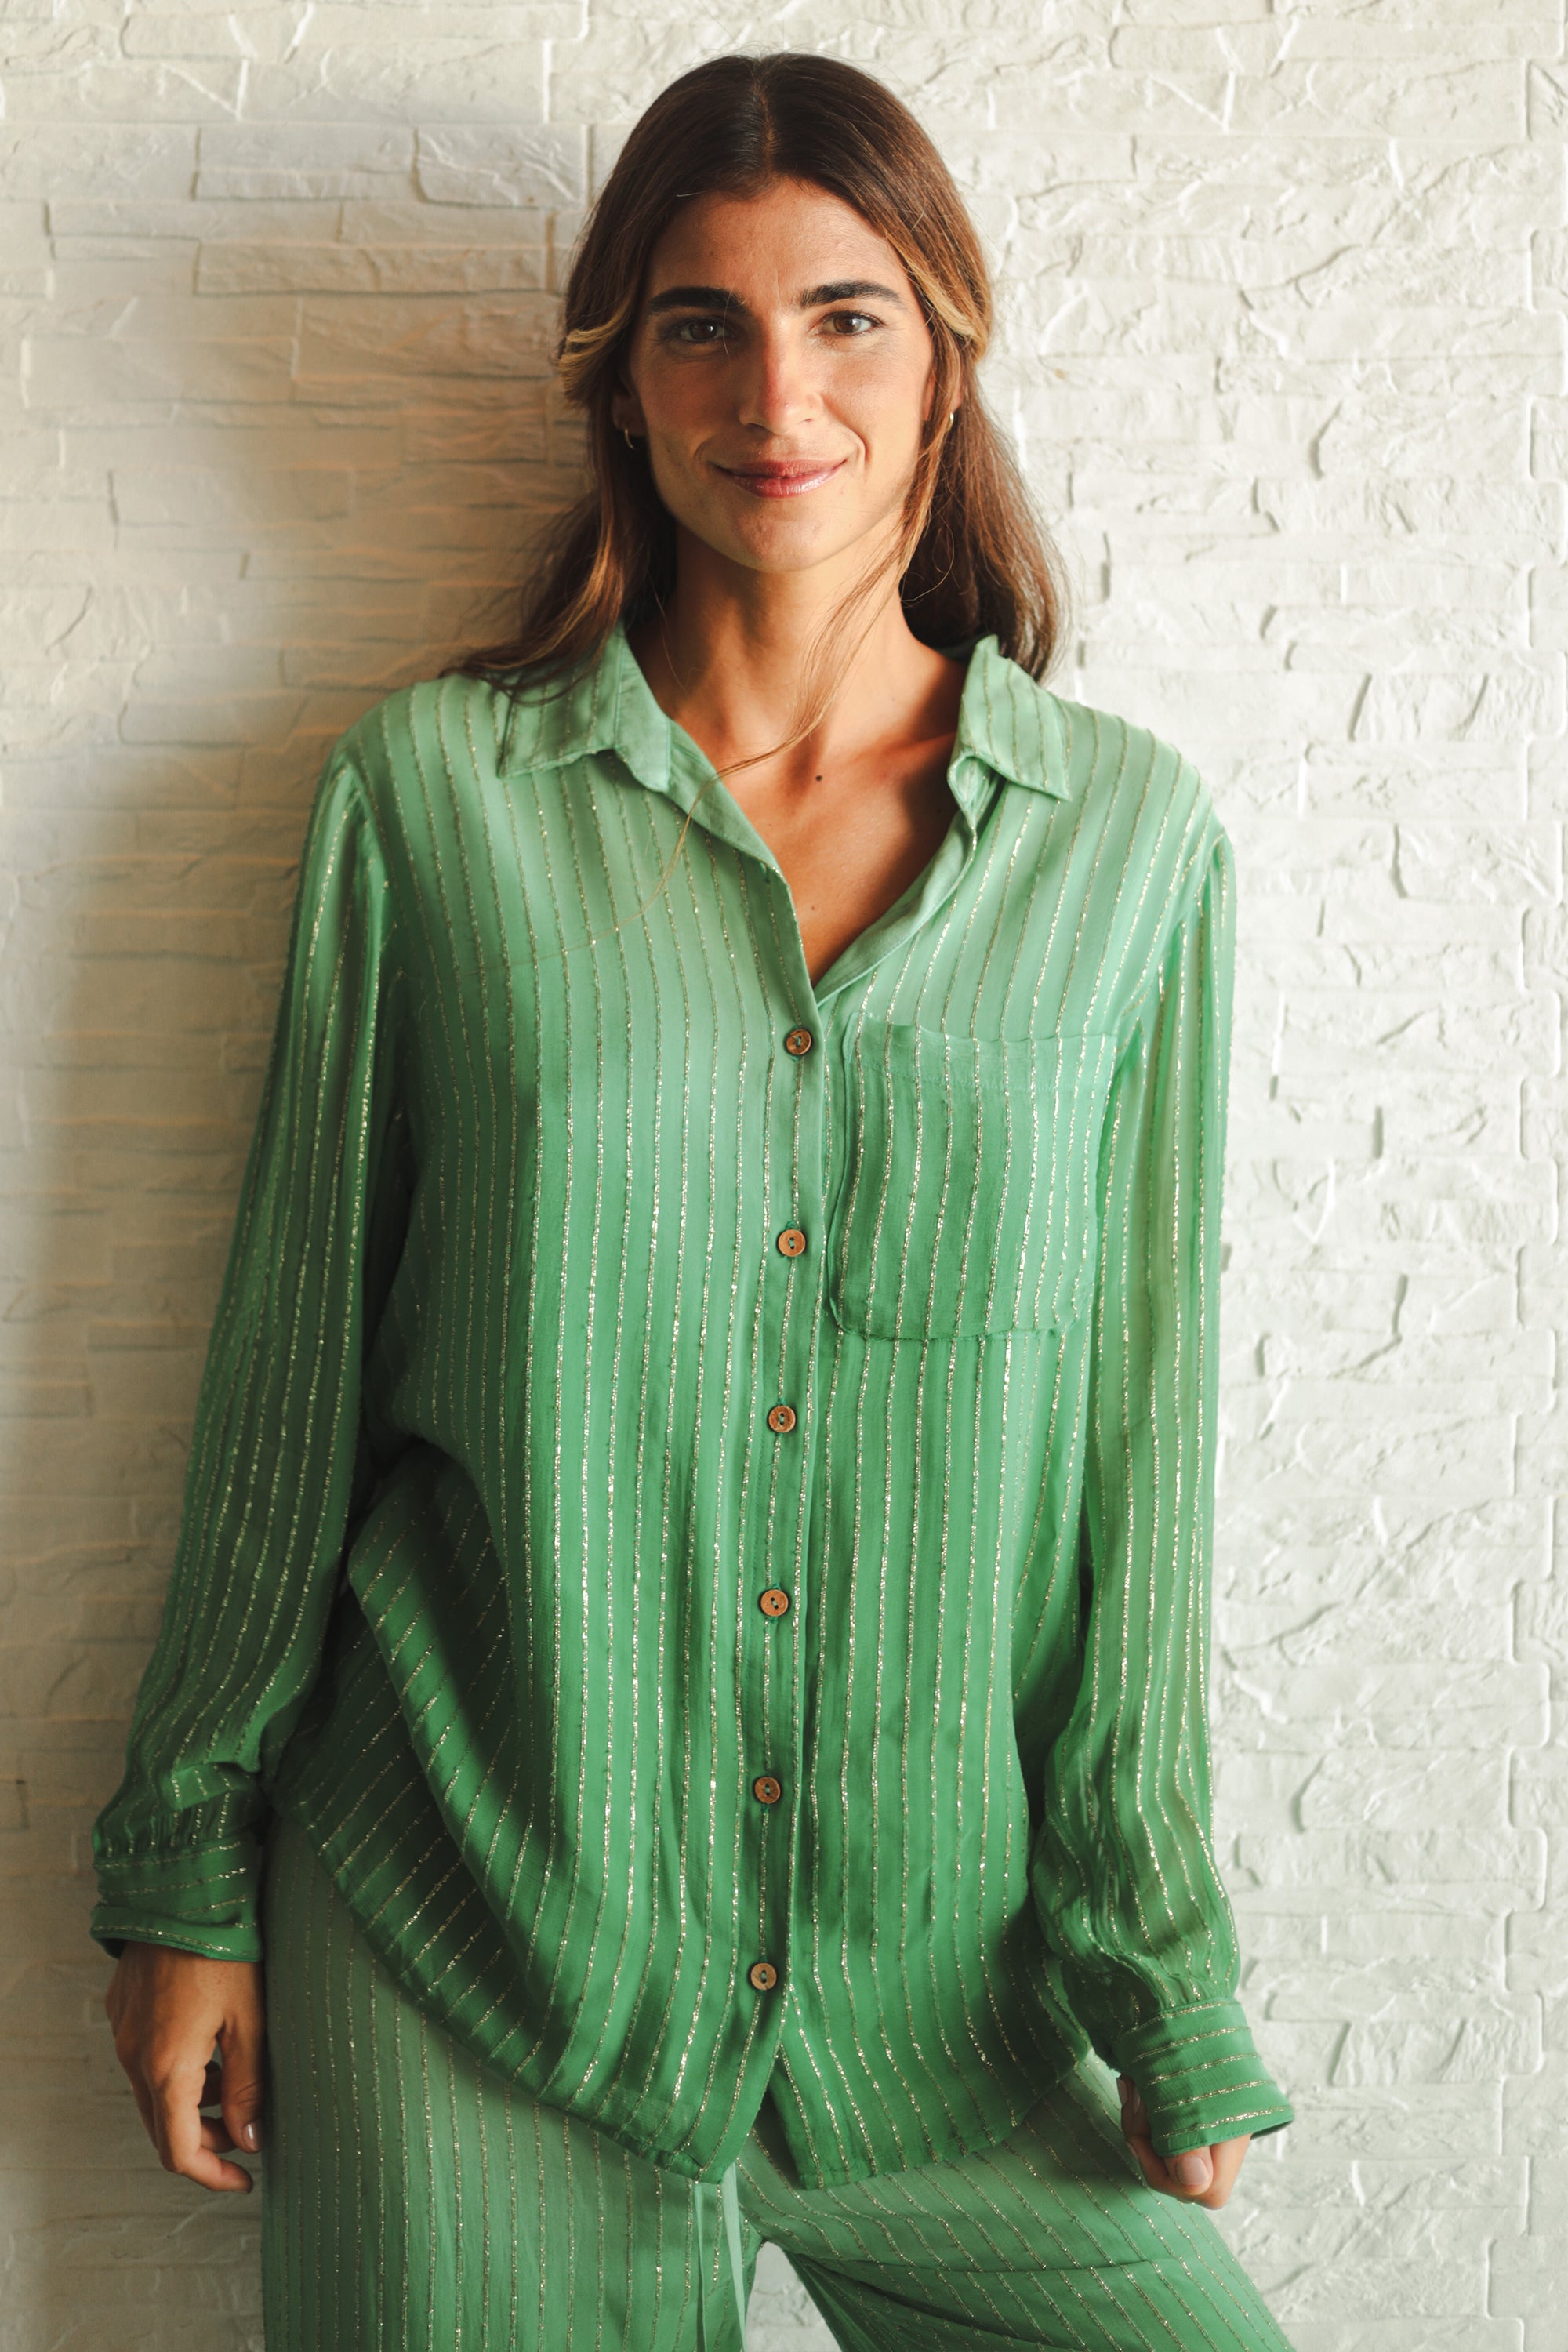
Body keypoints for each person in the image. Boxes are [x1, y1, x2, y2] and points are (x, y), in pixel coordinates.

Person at [90, 48, 1298, 2352]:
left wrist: (1158, 1964)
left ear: (945, 361)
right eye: (700, 326)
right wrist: (187, 1873)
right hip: (469, 1935)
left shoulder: (1126, 850)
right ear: (620, 383)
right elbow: (291, 1370)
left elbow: (1135, 1467)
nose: (776, 394)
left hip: (942, 1995)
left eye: (847, 317)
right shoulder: (435, 799)